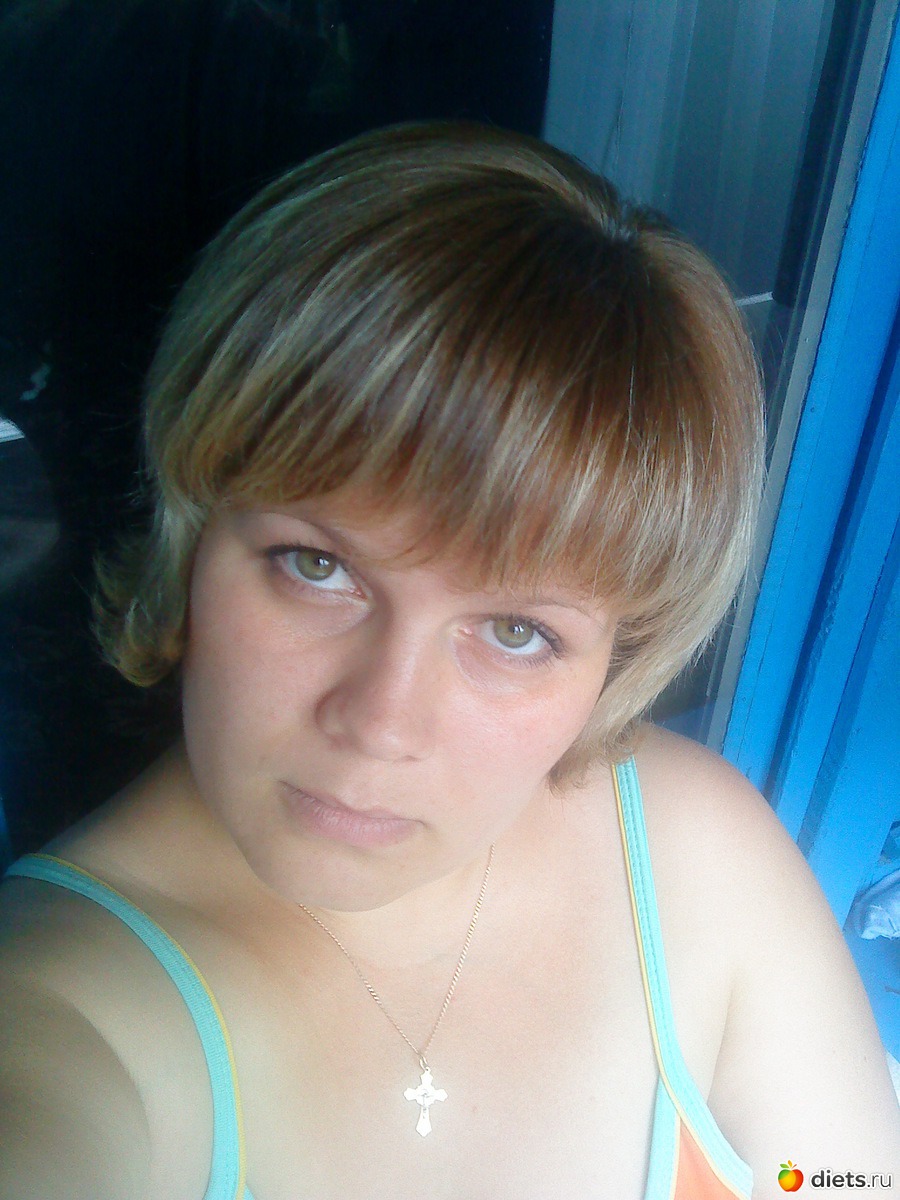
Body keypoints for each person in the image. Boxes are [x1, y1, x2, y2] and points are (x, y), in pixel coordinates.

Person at [0, 122, 896, 1200]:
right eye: (316, 566)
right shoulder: (63, 1015)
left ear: (615, 658)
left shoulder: (686, 849)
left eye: (517, 633)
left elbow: (838, 1179)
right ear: (192, 537)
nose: (382, 723)